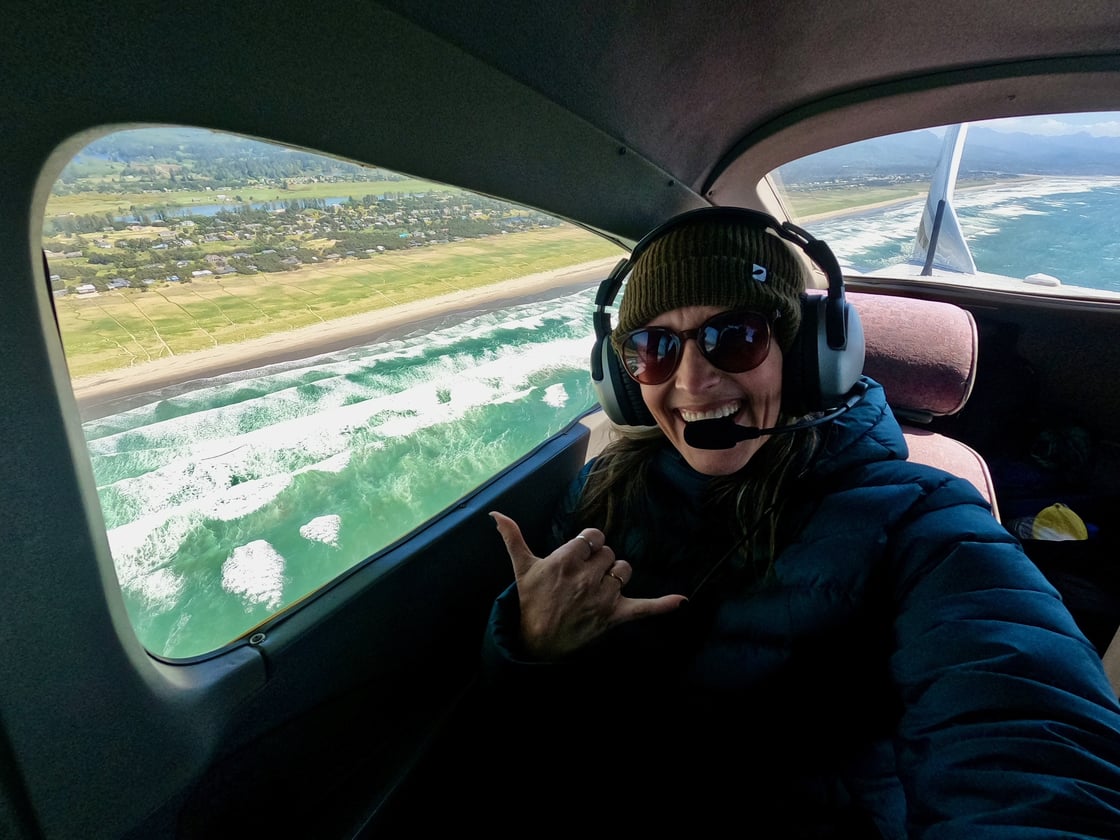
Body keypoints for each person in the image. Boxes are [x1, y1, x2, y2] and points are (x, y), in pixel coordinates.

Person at [480, 208, 1120, 837]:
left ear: (809, 353)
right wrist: (532, 647)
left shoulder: (921, 520)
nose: (693, 380)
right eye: (654, 348)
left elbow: (1031, 743)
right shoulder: (603, 490)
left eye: (734, 337)